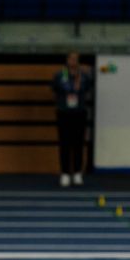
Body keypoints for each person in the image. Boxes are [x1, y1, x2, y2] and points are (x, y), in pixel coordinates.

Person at [52, 50, 92, 187]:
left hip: (79, 113)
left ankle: (76, 173)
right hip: (64, 113)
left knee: (78, 144)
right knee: (64, 144)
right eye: (71, 59)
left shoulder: (84, 75)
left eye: (76, 59)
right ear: (67, 60)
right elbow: (55, 89)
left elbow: (87, 89)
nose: (73, 61)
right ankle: (64, 173)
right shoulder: (60, 75)